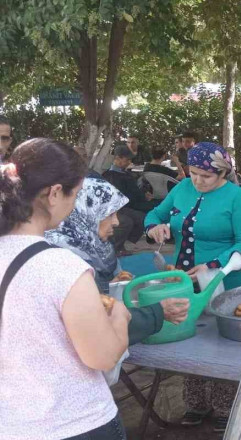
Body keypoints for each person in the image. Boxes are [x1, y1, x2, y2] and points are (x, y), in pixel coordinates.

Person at [0, 138, 130, 440]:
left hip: (12, 425)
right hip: (76, 423)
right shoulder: (62, 267)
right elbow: (103, 357)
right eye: (75, 194)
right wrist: (120, 317)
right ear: (55, 192)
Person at [144, 142, 241, 432]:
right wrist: (154, 227)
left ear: (223, 173)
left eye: (207, 176)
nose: (198, 180)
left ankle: (225, 406)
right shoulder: (182, 189)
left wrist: (214, 264)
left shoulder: (237, 197)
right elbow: (154, 215)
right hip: (183, 280)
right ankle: (195, 403)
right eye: (193, 173)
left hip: (225, 280)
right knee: (187, 335)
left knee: (220, 343)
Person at [45, 176, 191, 342]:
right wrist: (157, 313)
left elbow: (116, 293)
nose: (116, 222)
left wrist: (164, 283)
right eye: (109, 214)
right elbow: (95, 322)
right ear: (85, 212)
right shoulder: (63, 258)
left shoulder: (97, 249)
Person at [103, 143, 154, 254]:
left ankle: (120, 245)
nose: (129, 163)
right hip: (118, 208)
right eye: (127, 160)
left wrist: (143, 194)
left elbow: (133, 191)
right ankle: (112, 249)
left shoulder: (124, 173)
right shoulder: (110, 176)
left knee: (143, 217)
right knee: (131, 220)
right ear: (118, 158)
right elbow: (122, 197)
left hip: (129, 204)